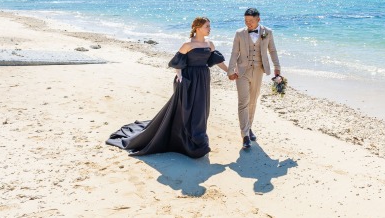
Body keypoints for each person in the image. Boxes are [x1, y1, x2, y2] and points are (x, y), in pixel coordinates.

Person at [106, 17, 228, 158]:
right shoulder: (187, 45)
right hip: (188, 80)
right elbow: (177, 63)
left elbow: (218, 61)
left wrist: (230, 71)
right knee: (186, 110)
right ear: (198, 28)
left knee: (201, 109)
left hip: (203, 79)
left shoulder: (209, 44)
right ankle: (185, 140)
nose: (209, 28)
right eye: (207, 26)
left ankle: (199, 140)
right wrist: (179, 76)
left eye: (209, 26)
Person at [227, 8, 281, 150]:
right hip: (242, 71)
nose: (248, 23)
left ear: (258, 19)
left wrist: (277, 67)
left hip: (258, 71)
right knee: (243, 102)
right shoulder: (239, 33)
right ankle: (245, 134)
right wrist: (230, 70)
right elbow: (234, 52)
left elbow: (272, 50)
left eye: (251, 21)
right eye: (246, 21)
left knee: (253, 101)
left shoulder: (267, 32)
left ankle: (249, 126)